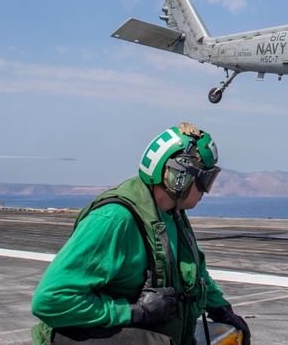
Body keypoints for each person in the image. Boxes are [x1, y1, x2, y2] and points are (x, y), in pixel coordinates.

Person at [31, 123, 251, 345]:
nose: (206, 190)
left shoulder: (172, 214)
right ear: (179, 177)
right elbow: (50, 300)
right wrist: (135, 312)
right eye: (204, 180)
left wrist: (221, 308)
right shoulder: (114, 220)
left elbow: (195, 275)